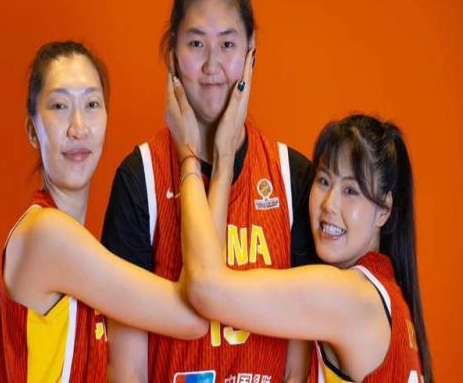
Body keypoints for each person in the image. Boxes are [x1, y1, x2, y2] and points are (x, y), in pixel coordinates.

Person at [101, 0, 316, 382]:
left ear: (252, 52)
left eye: (228, 44)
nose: (212, 66)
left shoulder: (293, 178)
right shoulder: (139, 179)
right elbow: (127, 369)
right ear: (172, 54)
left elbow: (299, 366)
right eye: (196, 43)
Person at [167, 70, 432, 382]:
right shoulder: (389, 300)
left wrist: (193, 155)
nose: (329, 204)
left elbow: (205, 288)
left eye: (351, 191)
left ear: (384, 211)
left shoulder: (348, 297)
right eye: (324, 181)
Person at [0, 41, 207, 382]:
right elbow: (193, 317)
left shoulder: (68, 240)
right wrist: (197, 157)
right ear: (33, 130)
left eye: (92, 104)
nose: (78, 127)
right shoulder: (47, 234)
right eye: (60, 106)